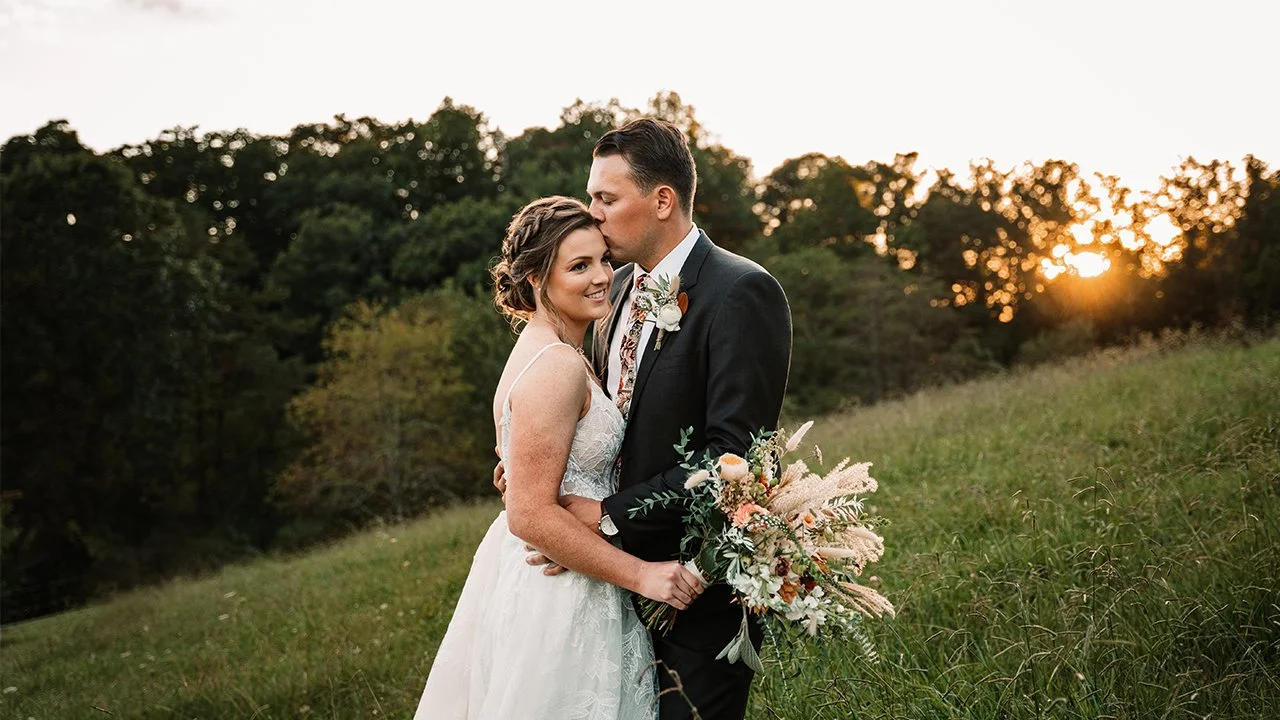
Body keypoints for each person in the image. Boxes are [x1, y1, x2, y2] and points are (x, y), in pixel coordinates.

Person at [507, 119, 793, 719]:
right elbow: (584, 420)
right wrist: (531, 474)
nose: (594, 215)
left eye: (606, 199)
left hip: (697, 587)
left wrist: (605, 517)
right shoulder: (609, 293)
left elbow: (736, 459)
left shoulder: (741, 292)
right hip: (606, 589)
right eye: (593, 198)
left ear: (662, 200)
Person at [414, 196, 704, 720]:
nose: (602, 277)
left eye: (602, 260)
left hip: (571, 568)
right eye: (578, 266)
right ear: (534, 280)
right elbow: (529, 514)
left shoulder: (553, 348)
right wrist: (643, 576)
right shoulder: (556, 367)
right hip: (560, 588)